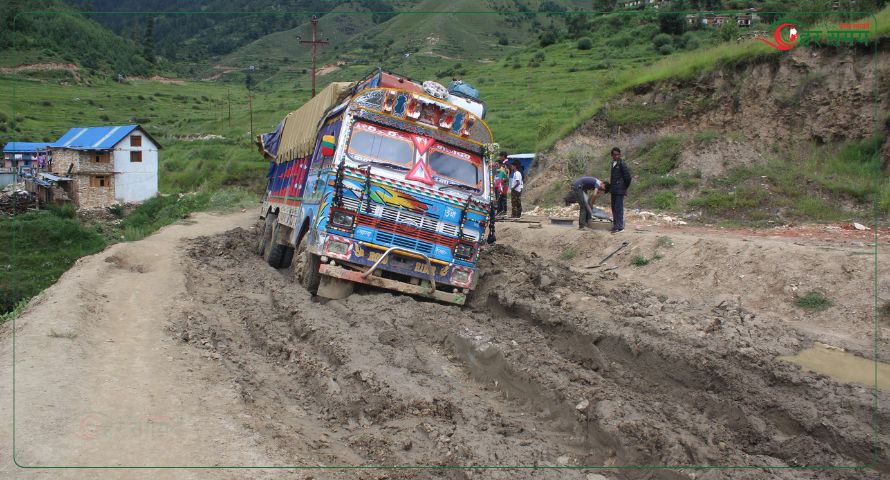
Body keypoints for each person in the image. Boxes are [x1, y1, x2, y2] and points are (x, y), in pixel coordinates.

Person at [608, 147, 632, 233]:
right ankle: (615, 226)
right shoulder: (613, 163)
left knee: (618, 208)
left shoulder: (622, 163)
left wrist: (625, 188)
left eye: (618, 154)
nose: (616, 156)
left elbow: (628, 177)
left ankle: (620, 227)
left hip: (619, 190)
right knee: (614, 208)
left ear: (620, 155)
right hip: (613, 190)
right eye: (615, 155)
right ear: (612, 155)